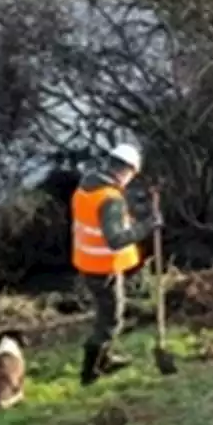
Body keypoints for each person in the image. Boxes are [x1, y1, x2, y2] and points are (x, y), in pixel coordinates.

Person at [71, 142, 163, 386]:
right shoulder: (110, 199)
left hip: (88, 261)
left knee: (107, 314)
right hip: (102, 267)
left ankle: (104, 358)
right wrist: (147, 226)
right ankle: (91, 370)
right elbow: (115, 239)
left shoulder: (88, 186)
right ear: (127, 170)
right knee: (111, 320)